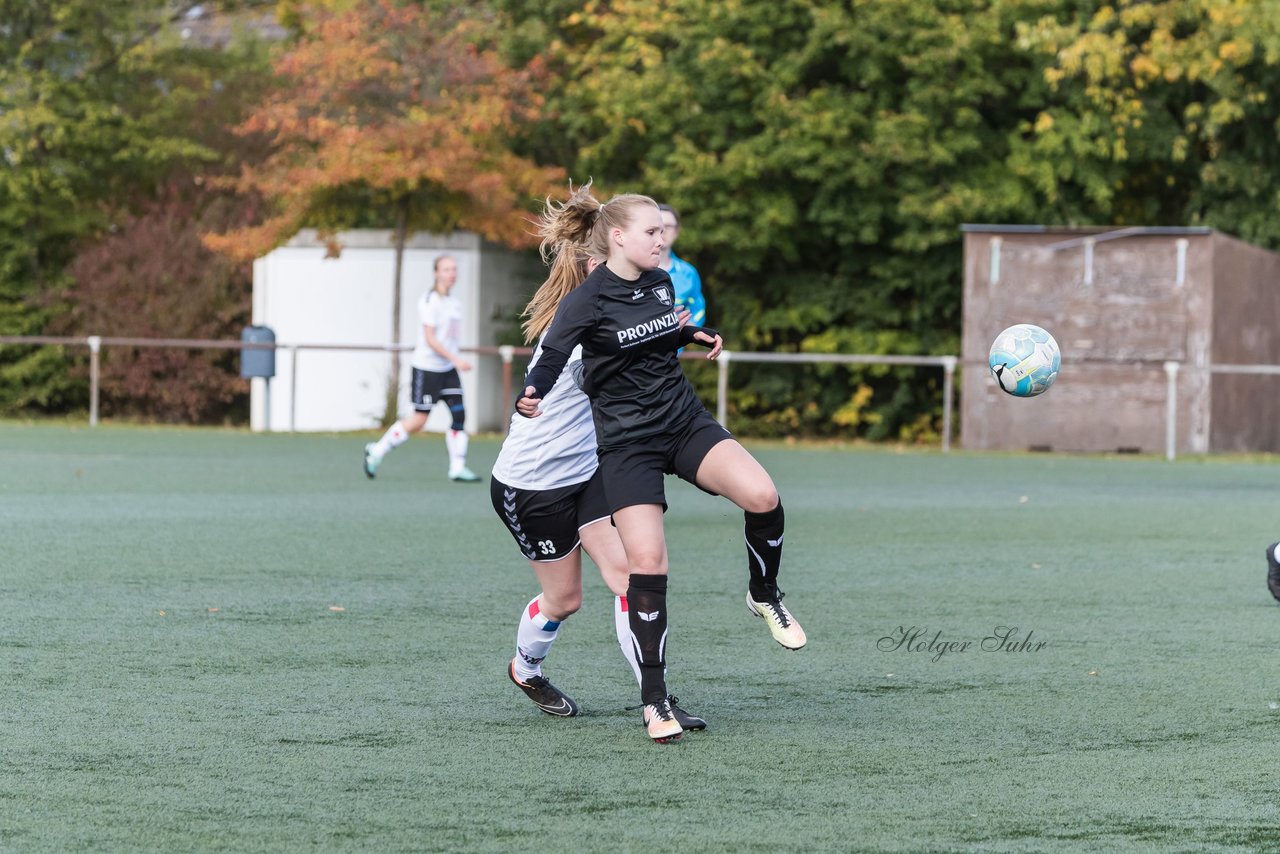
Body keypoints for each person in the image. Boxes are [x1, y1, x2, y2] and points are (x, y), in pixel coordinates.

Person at [517, 183, 807, 744]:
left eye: (663, 230)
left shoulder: (658, 280)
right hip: (628, 445)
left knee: (763, 497)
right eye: (653, 231)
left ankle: (764, 594)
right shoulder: (588, 299)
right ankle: (654, 702)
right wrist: (531, 392)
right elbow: (554, 354)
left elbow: (658, 329)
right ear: (619, 237)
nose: (662, 239)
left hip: (682, 423)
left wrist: (692, 333)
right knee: (646, 566)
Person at [494, 243, 704, 733]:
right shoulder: (584, 322)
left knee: (632, 579)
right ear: (596, 266)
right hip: (532, 483)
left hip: (588, 473)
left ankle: (657, 698)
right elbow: (628, 346)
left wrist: (679, 328)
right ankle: (525, 669)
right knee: (564, 600)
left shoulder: (618, 310)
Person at [364, 254, 481, 482]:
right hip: (427, 368)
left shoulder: (454, 303)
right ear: (436, 272)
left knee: (459, 414)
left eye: (454, 269)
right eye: (446, 269)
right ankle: (376, 452)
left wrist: (453, 362)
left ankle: (457, 467)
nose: (451, 274)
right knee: (419, 420)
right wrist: (457, 360)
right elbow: (430, 339)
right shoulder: (429, 301)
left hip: (448, 370)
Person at [657, 203, 706, 329]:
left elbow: (698, 310)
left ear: (677, 231)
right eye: (659, 226)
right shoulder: (635, 269)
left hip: (676, 348)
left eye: (668, 226)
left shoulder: (688, 273)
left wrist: (690, 328)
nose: (663, 230)